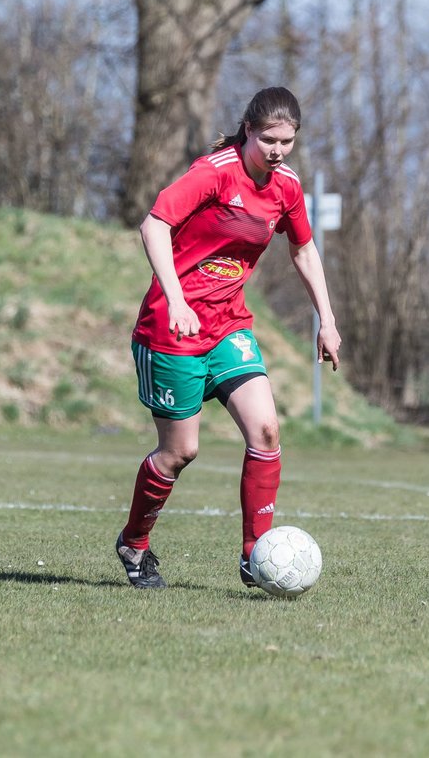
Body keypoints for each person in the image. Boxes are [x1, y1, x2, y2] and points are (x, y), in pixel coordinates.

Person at [116, 86, 341, 589]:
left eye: (287, 141)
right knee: (180, 452)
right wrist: (176, 299)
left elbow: (304, 251)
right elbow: (153, 226)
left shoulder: (285, 188)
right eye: (268, 139)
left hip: (229, 326)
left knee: (265, 433)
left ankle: (253, 556)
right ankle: (134, 543)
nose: (278, 150)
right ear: (248, 129)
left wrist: (326, 319)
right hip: (171, 328)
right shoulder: (214, 173)